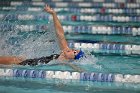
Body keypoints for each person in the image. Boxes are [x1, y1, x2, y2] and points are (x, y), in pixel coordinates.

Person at [0, 5, 85, 71]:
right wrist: (54, 14)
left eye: (75, 52)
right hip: (28, 61)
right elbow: (60, 34)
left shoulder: (64, 61)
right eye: (75, 49)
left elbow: (74, 68)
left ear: (73, 59)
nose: (72, 49)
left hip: (26, 64)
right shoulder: (65, 50)